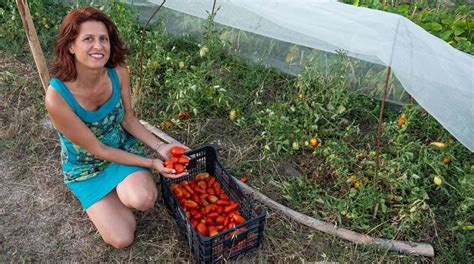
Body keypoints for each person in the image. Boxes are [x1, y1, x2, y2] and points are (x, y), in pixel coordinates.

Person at [45, 7, 187, 249]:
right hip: (86, 166)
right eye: (88, 39)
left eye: (103, 39)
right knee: (122, 239)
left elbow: (129, 119)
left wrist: (161, 147)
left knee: (143, 198)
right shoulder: (57, 97)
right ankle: (108, 193)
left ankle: (123, 185)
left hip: (121, 149)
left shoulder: (118, 72)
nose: (98, 46)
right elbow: (98, 149)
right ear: (70, 46)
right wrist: (151, 163)